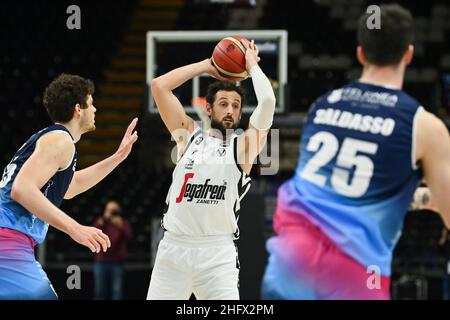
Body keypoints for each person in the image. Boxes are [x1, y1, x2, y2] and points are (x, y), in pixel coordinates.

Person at [261, 3, 450, 300]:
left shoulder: (322, 106)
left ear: (360, 53)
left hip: (289, 264)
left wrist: (426, 199)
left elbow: (339, 192)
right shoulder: (424, 126)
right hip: (354, 274)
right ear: (409, 54)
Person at [146, 40, 276, 300]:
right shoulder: (188, 136)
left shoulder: (243, 148)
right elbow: (159, 86)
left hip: (217, 254)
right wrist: (206, 66)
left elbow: (269, 100)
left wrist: (251, 67)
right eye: (224, 103)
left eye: (236, 105)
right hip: (174, 248)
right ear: (208, 108)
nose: (230, 110)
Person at [0, 74, 138, 299]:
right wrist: (75, 228)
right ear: (78, 109)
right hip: (7, 240)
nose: (95, 110)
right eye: (91, 104)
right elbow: (22, 188)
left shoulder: (53, 140)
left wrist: (117, 157)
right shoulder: (60, 140)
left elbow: (72, 186)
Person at [93, 200, 132, 300]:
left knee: (117, 292)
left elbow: (129, 236)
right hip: (101, 261)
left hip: (117, 262)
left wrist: (121, 226)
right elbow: (92, 232)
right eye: (110, 210)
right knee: (100, 292)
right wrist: (103, 220)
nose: (112, 213)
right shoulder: (101, 221)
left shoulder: (123, 223)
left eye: (114, 211)